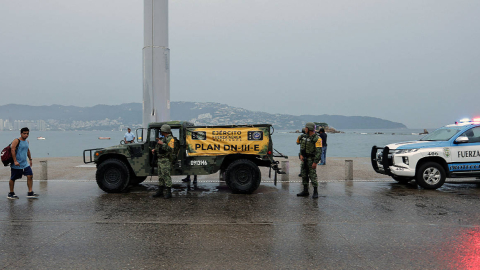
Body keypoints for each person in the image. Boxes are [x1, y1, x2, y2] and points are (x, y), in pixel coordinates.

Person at [8, 127, 38, 199]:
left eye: (27, 133)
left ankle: (30, 192)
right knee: (13, 178)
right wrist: (15, 161)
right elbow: (12, 150)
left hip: (25, 163)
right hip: (17, 164)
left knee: (30, 175)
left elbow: (27, 150)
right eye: (24, 133)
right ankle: (11, 193)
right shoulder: (16, 140)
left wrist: (30, 159)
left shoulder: (27, 141)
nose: (26, 135)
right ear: (21, 133)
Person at [297, 122, 322, 199]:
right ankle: (305, 191)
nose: (305, 129)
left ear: (310, 129)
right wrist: (300, 155)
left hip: (311, 159)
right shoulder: (303, 137)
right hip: (304, 159)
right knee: (304, 175)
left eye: (306, 127)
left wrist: (315, 162)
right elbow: (301, 147)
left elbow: (318, 151)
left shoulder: (317, 138)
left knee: (312, 175)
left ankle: (315, 191)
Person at [151, 124, 176, 199]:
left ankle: (169, 192)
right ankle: (160, 191)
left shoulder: (170, 139)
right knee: (161, 176)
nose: (161, 132)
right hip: (160, 159)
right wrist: (155, 150)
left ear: (164, 131)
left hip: (165, 160)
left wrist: (163, 144)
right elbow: (160, 148)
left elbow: (171, 149)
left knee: (166, 176)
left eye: (161, 131)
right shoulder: (164, 138)